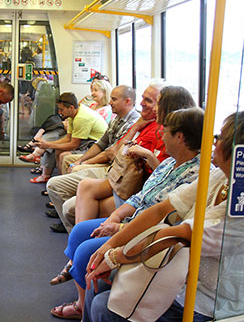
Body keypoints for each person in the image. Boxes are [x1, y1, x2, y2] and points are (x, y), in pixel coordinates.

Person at [83, 111, 244, 322]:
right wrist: (107, 247)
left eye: (219, 138)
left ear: (237, 151)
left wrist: (113, 257)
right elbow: (161, 209)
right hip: (185, 279)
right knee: (98, 283)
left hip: (218, 304)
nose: (213, 142)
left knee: (103, 307)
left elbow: (174, 236)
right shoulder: (221, 177)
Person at [49, 107, 205, 320]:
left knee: (86, 252)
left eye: (165, 131)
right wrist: (115, 216)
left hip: (145, 233)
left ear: (179, 137)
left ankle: (84, 309)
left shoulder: (197, 175)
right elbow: (140, 197)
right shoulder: (168, 163)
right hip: (132, 219)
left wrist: (119, 228)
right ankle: (81, 302)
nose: (161, 135)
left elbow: (167, 221)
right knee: (79, 231)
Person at [72, 86, 196, 224]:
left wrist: (147, 155)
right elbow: (117, 149)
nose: (144, 104)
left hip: (136, 185)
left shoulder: (168, 140)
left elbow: (160, 180)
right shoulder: (146, 125)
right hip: (128, 179)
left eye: (153, 102)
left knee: (75, 207)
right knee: (83, 187)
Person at [46, 85, 140, 233]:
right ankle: (70, 219)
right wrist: (81, 160)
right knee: (69, 161)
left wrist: (83, 162)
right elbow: (101, 144)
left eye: (114, 99)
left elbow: (110, 153)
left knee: (71, 168)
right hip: (106, 162)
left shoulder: (133, 123)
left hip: (113, 168)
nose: (110, 102)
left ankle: (72, 225)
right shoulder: (117, 119)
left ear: (127, 101)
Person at [30, 92, 108, 183]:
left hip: (96, 146)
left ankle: (64, 184)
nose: (59, 113)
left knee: (64, 155)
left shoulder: (81, 118)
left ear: (71, 107)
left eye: (61, 110)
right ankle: (59, 182)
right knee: (58, 150)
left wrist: (48, 145)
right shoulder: (73, 114)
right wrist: (47, 144)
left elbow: (73, 145)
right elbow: (68, 138)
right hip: (87, 141)